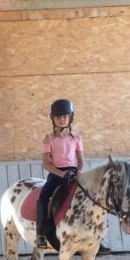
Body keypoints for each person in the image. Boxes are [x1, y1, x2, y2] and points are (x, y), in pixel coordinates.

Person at [36, 98, 83, 248]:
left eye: (64, 116)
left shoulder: (76, 138)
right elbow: (46, 164)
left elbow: (80, 161)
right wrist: (61, 174)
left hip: (73, 173)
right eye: (58, 117)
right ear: (53, 119)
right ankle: (40, 234)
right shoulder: (48, 139)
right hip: (56, 174)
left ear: (70, 117)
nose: (62, 119)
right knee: (43, 196)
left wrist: (79, 172)